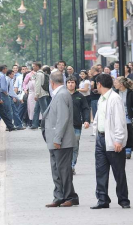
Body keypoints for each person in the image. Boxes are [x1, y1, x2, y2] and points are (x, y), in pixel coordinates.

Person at [91, 74, 130, 209]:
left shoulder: (115, 99)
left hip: (113, 140)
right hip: (101, 139)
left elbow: (120, 120)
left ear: (99, 84)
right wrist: (95, 131)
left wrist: (119, 139)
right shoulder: (101, 98)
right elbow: (98, 117)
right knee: (100, 171)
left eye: (96, 83)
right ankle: (102, 200)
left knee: (118, 171)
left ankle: (123, 200)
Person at [42, 71, 79, 207]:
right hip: (55, 141)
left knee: (63, 170)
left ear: (51, 83)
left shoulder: (62, 94)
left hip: (61, 141)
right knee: (57, 169)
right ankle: (60, 196)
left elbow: (62, 119)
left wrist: (57, 139)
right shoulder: (60, 94)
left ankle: (68, 196)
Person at [66, 76, 90, 175]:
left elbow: (85, 109)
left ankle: (72, 165)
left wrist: (86, 120)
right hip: (64, 126)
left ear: (75, 84)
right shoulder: (62, 95)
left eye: (72, 82)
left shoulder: (80, 96)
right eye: (68, 82)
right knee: (66, 147)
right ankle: (66, 165)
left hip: (76, 125)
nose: (70, 84)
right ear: (66, 84)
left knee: (75, 146)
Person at [113, 76, 133, 159]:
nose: (114, 84)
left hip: (127, 115)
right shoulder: (114, 93)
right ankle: (120, 147)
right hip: (117, 115)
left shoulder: (130, 93)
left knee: (128, 131)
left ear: (121, 84)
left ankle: (128, 149)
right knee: (118, 131)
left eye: (116, 82)